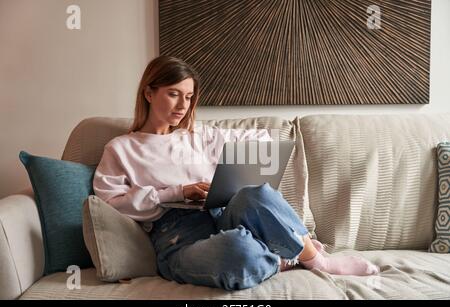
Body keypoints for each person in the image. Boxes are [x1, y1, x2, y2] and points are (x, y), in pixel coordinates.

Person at [93, 56, 380, 290]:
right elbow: (110, 204)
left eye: (189, 97)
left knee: (257, 194)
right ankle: (279, 256)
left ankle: (319, 262)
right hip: (178, 237)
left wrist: (229, 176)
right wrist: (177, 191)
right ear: (148, 92)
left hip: (224, 214)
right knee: (239, 250)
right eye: (173, 94)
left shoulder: (198, 135)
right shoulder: (121, 149)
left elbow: (263, 140)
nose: (183, 106)